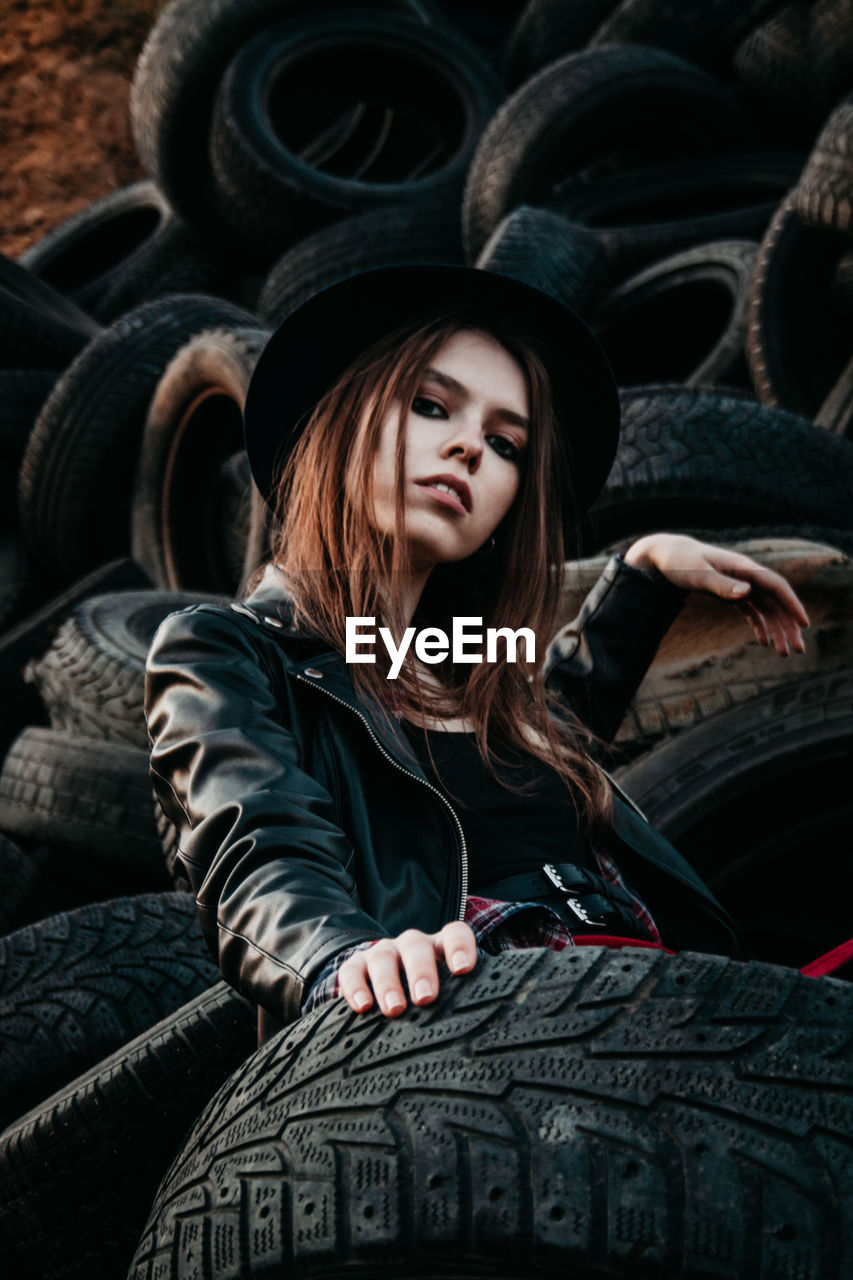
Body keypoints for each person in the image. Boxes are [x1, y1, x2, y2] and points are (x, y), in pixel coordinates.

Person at [144, 264, 811, 1044]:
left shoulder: (479, 688)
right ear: (337, 424)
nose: (468, 448)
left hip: (672, 1000)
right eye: (430, 407)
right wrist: (343, 960)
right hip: (461, 1038)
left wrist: (644, 573)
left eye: (505, 444)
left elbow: (554, 725)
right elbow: (257, 844)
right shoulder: (225, 650)